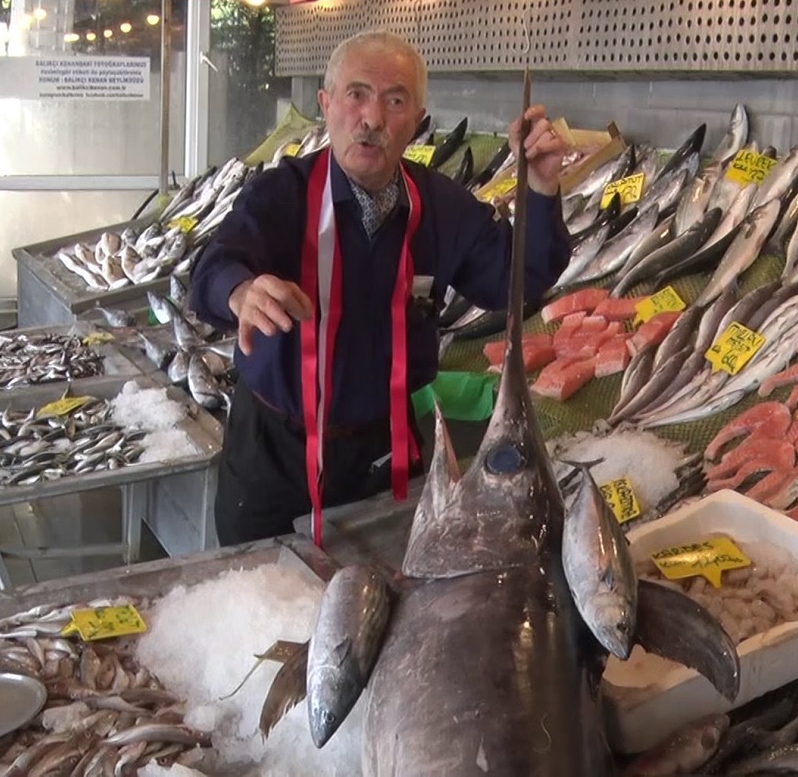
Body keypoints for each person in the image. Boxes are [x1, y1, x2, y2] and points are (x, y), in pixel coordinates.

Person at [189, 29, 573, 547]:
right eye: (357, 94)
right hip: (272, 457)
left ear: (415, 121)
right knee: (262, 608)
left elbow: (516, 278)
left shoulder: (441, 206)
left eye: (395, 101)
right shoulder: (281, 194)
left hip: (383, 453)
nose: (371, 118)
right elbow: (214, 263)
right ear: (327, 105)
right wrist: (240, 291)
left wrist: (542, 187)